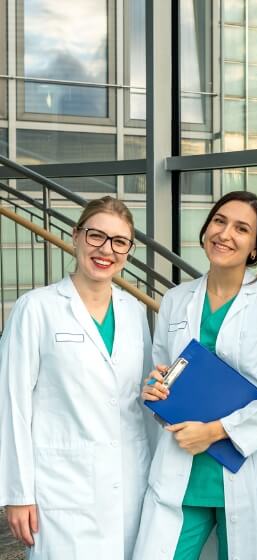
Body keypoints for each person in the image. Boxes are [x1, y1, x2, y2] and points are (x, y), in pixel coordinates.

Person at [132, 191, 257, 560]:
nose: (225, 234)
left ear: (255, 249)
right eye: (219, 221)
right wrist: (154, 389)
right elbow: (163, 372)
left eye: (241, 229)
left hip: (246, 470)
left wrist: (214, 432)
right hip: (181, 472)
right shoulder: (177, 300)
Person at [0, 196, 153, 560]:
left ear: (128, 251)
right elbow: (12, 404)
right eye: (96, 236)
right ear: (76, 236)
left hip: (131, 484)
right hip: (62, 491)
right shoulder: (36, 308)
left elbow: (141, 403)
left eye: (119, 242)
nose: (106, 250)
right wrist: (17, 494)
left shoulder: (134, 311)